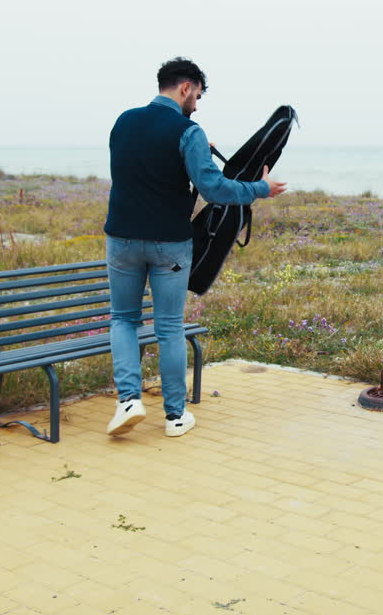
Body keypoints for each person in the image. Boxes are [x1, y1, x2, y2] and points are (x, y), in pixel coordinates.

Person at [104, 58, 286, 438]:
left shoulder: (123, 122)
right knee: (169, 328)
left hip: (121, 239)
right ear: (185, 88)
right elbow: (214, 189)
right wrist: (259, 190)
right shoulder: (189, 131)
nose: (197, 105)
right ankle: (174, 418)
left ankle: (128, 401)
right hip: (169, 243)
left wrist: (197, 151)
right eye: (198, 95)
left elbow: (141, 167)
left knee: (123, 319)